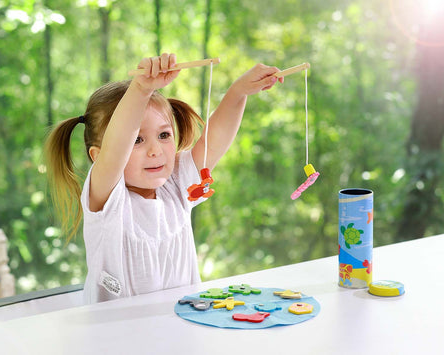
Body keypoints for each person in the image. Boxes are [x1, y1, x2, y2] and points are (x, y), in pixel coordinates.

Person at [44, 53, 283, 303]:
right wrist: (140, 89)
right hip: (118, 337)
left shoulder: (177, 185)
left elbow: (215, 140)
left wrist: (239, 91)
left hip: (180, 329)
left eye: (164, 135)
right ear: (98, 156)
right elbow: (116, 149)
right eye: (137, 140)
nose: (155, 150)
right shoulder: (107, 200)